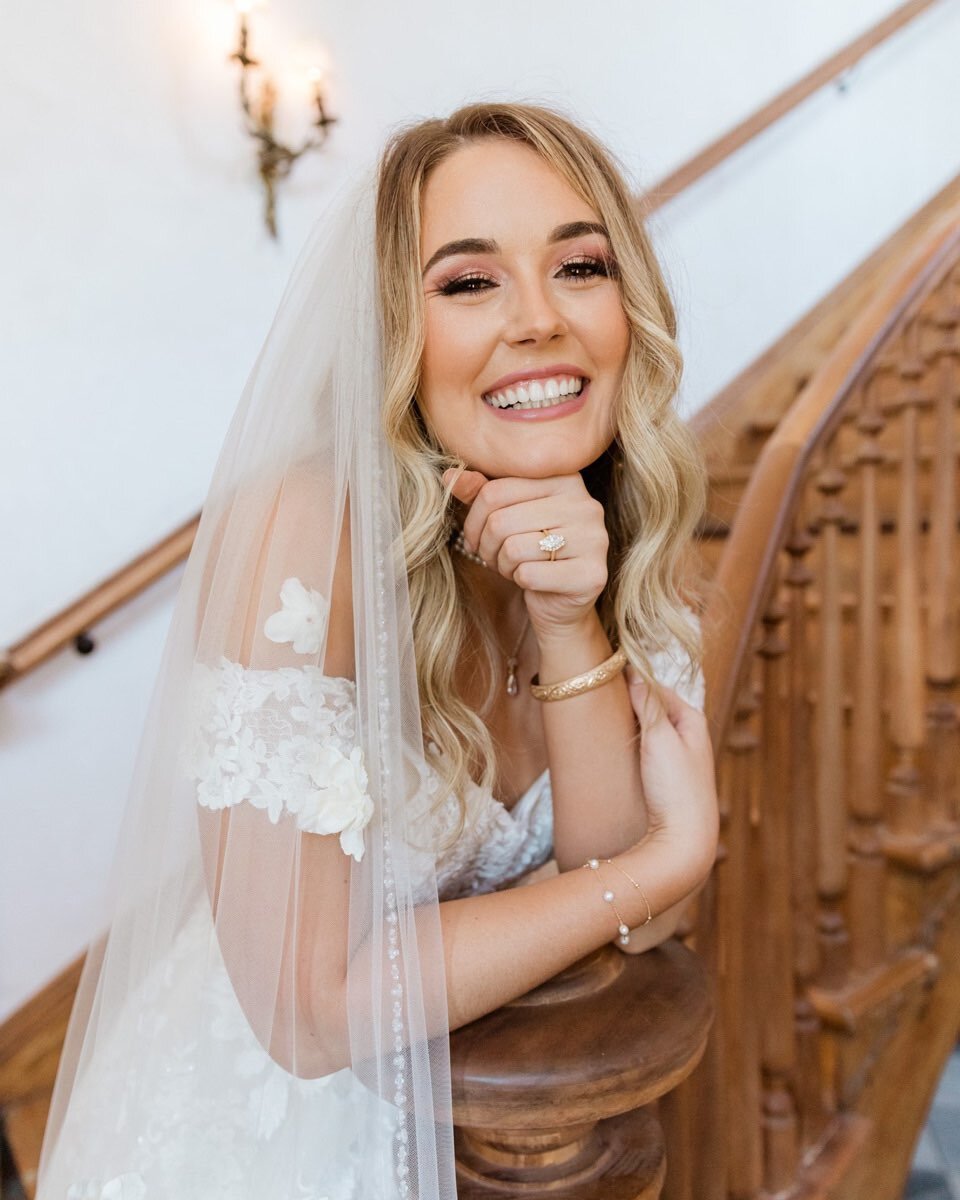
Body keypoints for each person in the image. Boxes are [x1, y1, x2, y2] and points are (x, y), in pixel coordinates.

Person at [35, 102, 719, 1200]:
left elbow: (618, 925)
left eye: (579, 267)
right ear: (393, 331)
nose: (539, 319)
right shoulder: (301, 532)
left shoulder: (625, 522)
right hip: (285, 1142)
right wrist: (666, 862)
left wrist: (565, 614)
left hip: (510, 1112)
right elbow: (308, 1015)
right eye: (468, 282)